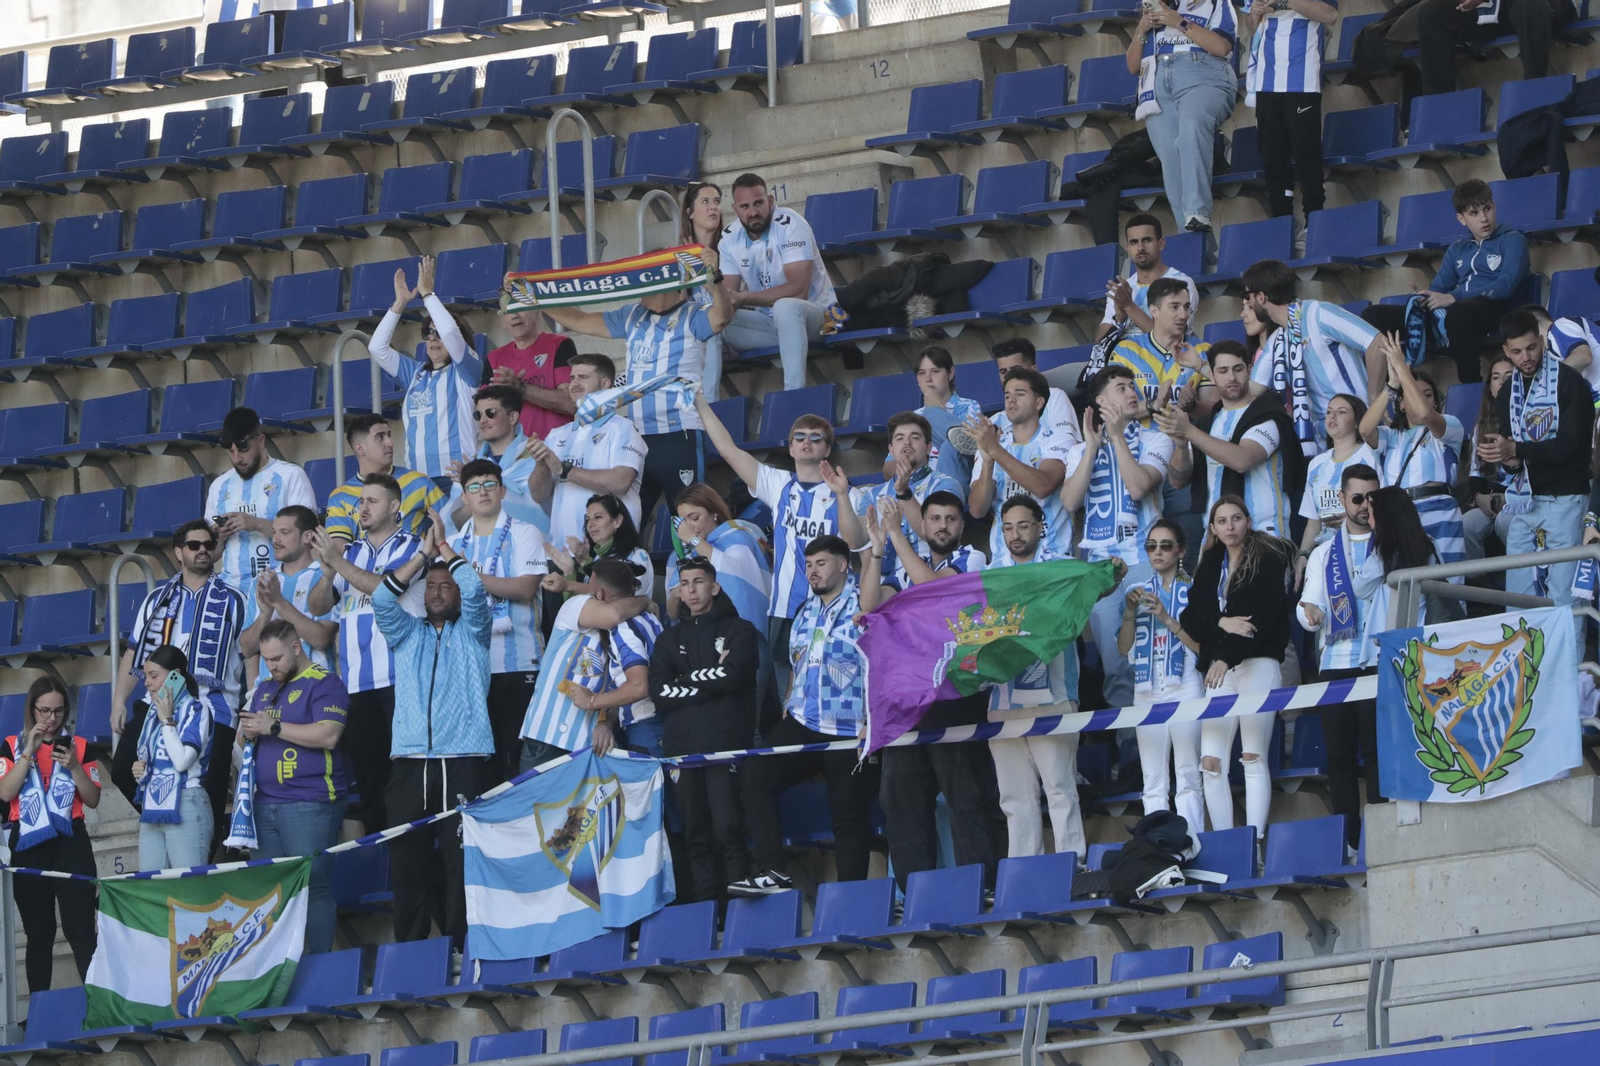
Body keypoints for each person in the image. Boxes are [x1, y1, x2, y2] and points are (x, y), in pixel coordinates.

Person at [860, 494, 1003, 891]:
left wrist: (895, 534)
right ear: (922, 525)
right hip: (905, 702)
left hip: (955, 695)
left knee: (966, 800)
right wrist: (877, 550)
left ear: (961, 526)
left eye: (951, 519)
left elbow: (931, 586)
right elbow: (869, 605)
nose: (943, 525)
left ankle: (984, 886)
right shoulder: (902, 567)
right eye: (935, 519)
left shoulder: (973, 557)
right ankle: (914, 892)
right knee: (902, 803)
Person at [694, 389, 866, 712]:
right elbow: (728, 450)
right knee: (789, 703)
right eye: (799, 437)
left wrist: (842, 496)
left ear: (828, 449)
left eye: (816, 438)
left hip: (829, 613)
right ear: (789, 447)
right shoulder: (778, 484)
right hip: (784, 611)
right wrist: (701, 404)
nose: (806, 442)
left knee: (824, 696)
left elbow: (857, 545)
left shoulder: (847, 495)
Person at [373, 515, 494, 947]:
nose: (438, 592)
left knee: (461, 862)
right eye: (431, 586)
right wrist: (421, 556)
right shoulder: (406, 634)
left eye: (446, 586)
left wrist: (443, 549)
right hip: (408, 762)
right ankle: (411, 952)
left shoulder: (475, 632)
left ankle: (463, 947)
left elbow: (478, 592)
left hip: (461, 758)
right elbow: (382, 601)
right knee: (408, 863)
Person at [538, 254, 731, 523]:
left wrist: (715, 278)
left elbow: (721, 317)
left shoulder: (693, 314)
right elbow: (580, 320)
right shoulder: (632, 315)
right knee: (625, 522)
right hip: (637, 436)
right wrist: (534, 297)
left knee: (688, 516)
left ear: (667, 281)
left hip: (678, 432)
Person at [735, 536, 878, 894]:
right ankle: (774, 871)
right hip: (803, 721)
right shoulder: (805, 611)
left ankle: (851, 897)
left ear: (844, 565)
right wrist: (787, 708)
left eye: (822, 563)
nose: (813, 571)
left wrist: (874, 553)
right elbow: (797, 667)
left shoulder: (863, 600)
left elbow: (881, 660)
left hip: (850, 726)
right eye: (809, 565)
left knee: (848, 817)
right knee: (755, 773)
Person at [113, 520, 244, 854]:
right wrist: (119, 700)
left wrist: (250, 705)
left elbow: (249, 652)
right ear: (178, 552)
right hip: (155, 703)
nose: (202, 550)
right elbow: (135, 653)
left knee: (212, 793)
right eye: (193, 545)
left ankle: (201, 854)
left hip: (214, 706)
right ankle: (175, 822)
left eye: (208, 544)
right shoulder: (157, 599)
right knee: (122, 769)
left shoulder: (234, 598)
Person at [308, 474, 425, 832]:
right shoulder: (352, 553)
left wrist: (337, 563)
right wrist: (328, 574)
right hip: (357, 683)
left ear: (394, 507)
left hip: (401, 679)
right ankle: (385, 868)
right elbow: (317, 606)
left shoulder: (413, 547)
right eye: (360, 502)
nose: (363, 508)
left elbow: (387, 588)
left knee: (405, 778)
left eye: (372, 501)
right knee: (372, 783)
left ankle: (415, 864)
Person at [1061, 365, 1175, 709]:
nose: (1131, 393)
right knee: (1117, 666)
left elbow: (1139, 487)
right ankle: (1130, 756)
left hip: (1146, 560)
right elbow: (1069, 501)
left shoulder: (1156, 438)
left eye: (1132, 386)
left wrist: (1119, 436)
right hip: (1101, 570)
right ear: (1100, 400)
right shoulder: (1078, 450)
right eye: (1122, 388)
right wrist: (1093, 448)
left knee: (1158, 660)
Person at [648, 557, 761, 902]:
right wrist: (711, 677)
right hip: (682, 749)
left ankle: (740, 913)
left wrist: (684, 680)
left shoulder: (739, 630)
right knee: (695, 834)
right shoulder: (668, 639)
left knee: (728, 828)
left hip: (725, 743)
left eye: (698, 582)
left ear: (714, 586)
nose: (692, 589)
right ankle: (707, 916)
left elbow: (735, 676)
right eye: (685, 583)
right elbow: (659, 693)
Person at [1180, 496, 1294, 836]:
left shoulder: (1268, 558)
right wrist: (1222, 622)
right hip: (1220, 669)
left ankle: (1254, 840)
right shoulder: (1211, 561)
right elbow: (1191, 618)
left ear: (1248, 520)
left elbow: (1259, 620)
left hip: (1256, 663)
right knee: (1210, 764)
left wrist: (1225, 654)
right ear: (1212, 528)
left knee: (1253, 757)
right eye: (1222, 521)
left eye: (1236, 519)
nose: (1230, 527)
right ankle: (1226, 842)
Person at [984, 497, 1088, 859]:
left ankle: (1072, 866)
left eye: (1023, 525)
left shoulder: (1064, 568)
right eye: (1008, 527)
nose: (1015, 534)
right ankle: (1025, 872)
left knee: (1060, 787)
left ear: (1041, 525)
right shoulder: (989, 575)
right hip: (1002, 698)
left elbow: (1097, 592)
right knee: (1014, 796)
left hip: (1055, 695)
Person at [237, 621, 350, 954]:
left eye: (277, 659)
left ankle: (317, 968)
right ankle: (279, 970)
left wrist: (271, 726)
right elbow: (245, 737)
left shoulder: (326, 684)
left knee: (313, 887)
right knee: (270, 891)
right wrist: (247, 732)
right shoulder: (264, 689)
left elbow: (328, 736)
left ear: (296, 648)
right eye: (267, 659)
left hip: (310, 801)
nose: (271, 666)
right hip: (264, 804)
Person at [1360, 181, 1530, 386]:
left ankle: (1470, 387)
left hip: (1497, 310)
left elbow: (1506, 286)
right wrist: (1423, 297)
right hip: (1456, 316)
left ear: (1494, 207)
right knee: (1373, 315)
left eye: (1487, 209)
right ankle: (1391, 389)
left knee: (1459, 312)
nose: (1484, 219)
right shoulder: (1458, 249)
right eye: (1474, 213)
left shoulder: (1513, 240)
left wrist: (1453, 297)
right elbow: (1439, 288)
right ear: (1462, 219)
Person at [1482, 308, 1597, 604]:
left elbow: (1572, 447)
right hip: (1524, 503)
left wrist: (1516, 450)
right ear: (1506, 351)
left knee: (1564, 598)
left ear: (1542, 342)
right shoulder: (1507, 392)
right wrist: (1505, 457)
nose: (1526, 357)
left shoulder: (1570, 382)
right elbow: (1517, 454)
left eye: (1531, 347)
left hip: (1566, 499)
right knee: (1518, 596)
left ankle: (1569, 652)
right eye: (1517, 351)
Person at [1297, 465, 1383, 855]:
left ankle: (1383, 835)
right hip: (1335, 660)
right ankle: (1349, 840)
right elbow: (1308, 603)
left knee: (1377, 749)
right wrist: (1310, 615)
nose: (1366, 506)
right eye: (1358, 498)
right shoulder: (1323, 552)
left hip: (1379, 659)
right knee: (1339, 755)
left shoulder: (1392, 541)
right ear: (1343, 500)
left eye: (1372, 497)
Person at [448, 458, 548, 785]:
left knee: (523, 762)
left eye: (490, 484)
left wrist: (468, 574)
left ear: (503, 490)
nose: (483, 492)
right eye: (474, 487)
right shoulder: (453, 545)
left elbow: (525, 587)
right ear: (464, 497)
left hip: (521, 663)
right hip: (474, 670)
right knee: (482, 767)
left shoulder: (524, 532)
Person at [0, 679, 99, 989]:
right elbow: (5, 793)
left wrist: (75, 768)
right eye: (44, 711)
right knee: (39, 933)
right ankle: (40, 1010)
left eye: (58, 711)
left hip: (71, 842)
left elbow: (94, 799)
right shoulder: (10, 745)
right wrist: (28, 753)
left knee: (80, 929)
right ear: (32, 710)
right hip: (28, 842)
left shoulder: (79, 746)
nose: (51, 718)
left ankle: (98, 1007)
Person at [519, 559, 658, 769]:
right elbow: (613, 614)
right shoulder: (577, 604)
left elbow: (623, 688)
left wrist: (606, 722)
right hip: (549, 738)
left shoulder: (633, 625)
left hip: (592, 745)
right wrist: (645, 601)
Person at [1158, 340, 1300, 537]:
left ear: (1249, 370)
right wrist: (1181, 447)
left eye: (1238, 369)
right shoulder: (1206, 424)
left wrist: (1189, 432)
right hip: (1215, 539)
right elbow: (1177, 481)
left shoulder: (1269, 413)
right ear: (1212, 376)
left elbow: (1243, 460)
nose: (1232, 377)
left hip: (1264, 535)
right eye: (1223, 371)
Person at [1118, 518, 1205, 833]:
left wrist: (1166, 617)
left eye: (1166, 545)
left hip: (1185, 683)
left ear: (1180, 550)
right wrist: (1129, 612)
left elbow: (1201, 646)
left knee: (1188, 771)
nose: (1157, 552)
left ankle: (1192, 838)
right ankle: (1157, 845)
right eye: (1151, 546)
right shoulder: (1136, 592)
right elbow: (1123, 647)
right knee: (1152, 777)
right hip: (1146, 687)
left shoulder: (1194, 589)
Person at [369, 256, 483, 487]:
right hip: (417, 478)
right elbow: (377, 348)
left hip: (457, 475)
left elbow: (451, 334)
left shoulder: (467, 370)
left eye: (437, 334)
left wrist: (428, 296)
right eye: (428, 335)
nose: (433, 340)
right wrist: (399, 304)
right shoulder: (415, 373)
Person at [718, 173, 839, 391]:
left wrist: (745, 297)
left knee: (785, 306)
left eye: (758, 203)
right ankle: (708, 404)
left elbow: (798, 290)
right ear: (735, 209)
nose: (753, 212)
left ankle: (793, 393)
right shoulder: (729, 237)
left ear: (770, 201)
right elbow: (729, 297)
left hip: (822, 318)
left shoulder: (790, 223)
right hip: (772, 324)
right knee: (711, 320)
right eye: (745, 206)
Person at [1126, 0, 1238, 233]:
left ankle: (1198, 211)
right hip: (1157, 85)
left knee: (1191, 129)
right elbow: (1133, 66)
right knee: (1171, 163)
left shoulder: (1215, 2)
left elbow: (1221, 47)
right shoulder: (1157, 9)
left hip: (1204, 75)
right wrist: (1142, 29)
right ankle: (1195, 247)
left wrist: (1178, 21)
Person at [1358, 333, 1468, 565]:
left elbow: (1425, 414)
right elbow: (1366, 430)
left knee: (1447, 589)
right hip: (1399, 515)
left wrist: (1402, 369)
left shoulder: (1450, 426)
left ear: (1436, 402)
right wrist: (1392, 386)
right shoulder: (1391, 436)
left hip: (1440, 511)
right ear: (1401, 404)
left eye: (1428, 395)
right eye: (1412, 394)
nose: (1422, 399)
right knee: (1406, 591)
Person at [526, 354, 648, 550]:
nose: (574, 383)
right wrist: (542, 463)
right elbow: (538, 495)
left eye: (583, 377)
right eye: (572, 378)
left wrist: (565, 470)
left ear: (605, 384)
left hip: (610, 553)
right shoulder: (556, 435)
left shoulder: (623, 428)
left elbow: (621, 482)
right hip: (565, 551)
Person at [1243, 260, 1385, 424]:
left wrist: (1375, 399)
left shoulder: (1318, 313)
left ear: (1261, 297)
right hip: (1321, 438)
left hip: (1358, 425)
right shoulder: (1277, 339)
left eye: (1248, 297)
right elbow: (1254, 389)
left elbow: (1377, 341)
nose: (1248, 304)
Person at [1241, 0, 1338, 232]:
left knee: (1307, 159)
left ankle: (1314, 226)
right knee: (1274, 162)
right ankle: (1282, 226)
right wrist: (1254, 13)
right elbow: (1252, 27)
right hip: (1266, 82)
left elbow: (1330, 15)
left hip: (1301, 82)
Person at [968, 368, 1076, 563]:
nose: (1011, 400)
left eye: (1020, 394)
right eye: (1007, 395)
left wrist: (994, 450)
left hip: (1052, 559)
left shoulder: (1057, 439)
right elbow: (977, 509)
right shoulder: (993, 445)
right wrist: (988, 462)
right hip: (1004, 563)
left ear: (1039, 402)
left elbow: (1043, 486)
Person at [207, 407, 315, 597]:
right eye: (231, 451)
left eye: (243, 449)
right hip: (232, 594)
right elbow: (212, 554)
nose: (237, 458)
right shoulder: (219, 486)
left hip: (283, 589)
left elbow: (308, 539)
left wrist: (255, 523)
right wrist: (220, 537)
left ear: (261, 440)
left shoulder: (290, 475)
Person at [130, 645, 215, 870]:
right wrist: (140, 770)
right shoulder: (151, 712)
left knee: (188, 892)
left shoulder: (197, 709)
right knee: (153, 889)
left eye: (153, 675)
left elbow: (182, 761)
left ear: (175, 675)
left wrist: (168, 722)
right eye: (145, 676)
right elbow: (149, 758)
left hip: (186, 801)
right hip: (153, 806)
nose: (147, 682)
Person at [239, 505, 338, 688]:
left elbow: (322, 639)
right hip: (270, 690)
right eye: (274, 532)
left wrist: (279, 602)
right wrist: (264, 615)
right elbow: (247, 649)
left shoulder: (326, 575)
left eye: (284, 532)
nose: (275, 539)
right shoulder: (262, 581)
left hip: (315, 687)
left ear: (307, 536)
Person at [853, 412, 964, 565]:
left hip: (927, 579)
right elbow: (856, 540)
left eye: (915, 437)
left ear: (928, 447)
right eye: (900, 438)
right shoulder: (873, 494)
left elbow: (936, 532)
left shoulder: (945, 485)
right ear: (891, 450)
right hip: (885, 582)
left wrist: (903, 493)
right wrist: (840, 495)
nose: (907, 443)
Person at [665, 483, 773, 633]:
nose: (688, 527)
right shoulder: (685, 553)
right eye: (683, 522)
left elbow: (734, 575)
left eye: (694, 518)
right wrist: (677, 594)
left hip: (743, 634)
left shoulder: (738, 537)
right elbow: (672, 613)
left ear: (714, 512)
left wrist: (692, 539)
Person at [325, 414, 447, 543]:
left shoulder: (419, 482)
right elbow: (338, 553)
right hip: (361, 563)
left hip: (415, 560)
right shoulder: (340, 496)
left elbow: (451, 524)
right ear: (360, 448)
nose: (390, 443)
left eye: (389, 435)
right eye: (380, 437)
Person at [443, 385, 547, 535]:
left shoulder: (539, 454)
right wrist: (470, 484)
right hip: (486, 553)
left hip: (533, 548)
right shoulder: (469, 468)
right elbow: (454, 526)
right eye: (478, 415)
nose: (482, 421)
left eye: (490, 413)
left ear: (512, 418)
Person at [1296, 395, 1379, 581]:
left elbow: (1383, 506)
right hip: (1326, 551)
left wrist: (1354, 520)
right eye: (1328, 412)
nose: (1332, 417)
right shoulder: (1316, 463)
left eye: (1341, 412)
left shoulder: (1371, 455)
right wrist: (1303, 554)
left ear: (1357, 422)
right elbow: (1313, 520)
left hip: (1364, 547)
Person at [1415, 0, 1569, 95]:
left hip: (1538, 8)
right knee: (1429, 13)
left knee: (1529, 3)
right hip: (1488, 12)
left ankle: (1533, 93)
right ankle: (1438, 107)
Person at [879, 346, 984, 486]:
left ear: (950, 373)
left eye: (935, 371)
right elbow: (887, 470)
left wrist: (935, 410)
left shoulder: (969, 406)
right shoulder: (913, 416)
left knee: (949, 447)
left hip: (954, 483)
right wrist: (913, 460)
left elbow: (971, 448)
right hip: (917, 486)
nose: (928, 379)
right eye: (921, 373)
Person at [1110, 278, 1212, 419]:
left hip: (1184, 438)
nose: (1183, 315)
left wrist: (1192, 406)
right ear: (1154, 311)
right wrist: (1155, 404)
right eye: (1174, 307)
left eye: (1187, 307)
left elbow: (1213, 409)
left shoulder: (1203, 350)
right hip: (1137, 439)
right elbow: (1113, 409)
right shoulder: (1126, 351)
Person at [1098, 213, 1201, 342]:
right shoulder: (1121, 290)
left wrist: (1129, 306)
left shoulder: (1181, 284)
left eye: (1147, 240)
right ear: (1128, 248)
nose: (1140, 248)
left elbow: (1171, 340)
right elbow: (1100, 344)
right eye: (1134, 242)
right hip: (1121, 358)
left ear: (1161, 243)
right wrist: (1119, 318)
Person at [486, 306, 576, 441]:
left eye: (520, 308)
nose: (514, 315)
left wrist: (521, 388)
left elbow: (570, 403)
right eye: (507, 311)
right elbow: (486, 413)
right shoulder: (493, 358)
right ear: (503, 321)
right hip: (512, 454)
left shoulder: (560, 344)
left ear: (538, 312)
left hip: (557, 448)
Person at [1461, 355, 1518, 560]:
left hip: (1521, 500)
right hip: (1491, 498)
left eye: (1509, 376)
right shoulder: (1481, 427)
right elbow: (1475, 475)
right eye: (1496, 377)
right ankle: (1480, 585)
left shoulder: (1530, 420)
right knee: (1466, 525)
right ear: (1490, 388)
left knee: (1508, 523)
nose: (1502, 382)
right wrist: (1479, 498)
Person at [545, 493, 653, 596]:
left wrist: (568, 584)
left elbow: (621, 599)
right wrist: (569, 571)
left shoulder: (638, 556)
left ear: (618, 521)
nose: (590, 524)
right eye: (588, 519)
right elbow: (582, 605)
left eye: (598, 517)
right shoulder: (596, 559)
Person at [992, 337, 1083, 447]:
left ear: (1033, 370)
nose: (1008, 376)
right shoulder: (996, 419)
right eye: (1003, 372)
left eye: (1015, 370)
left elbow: (1065, 449)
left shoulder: (1054, 397)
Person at [682, 181, 728, 396]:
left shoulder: (729, 246)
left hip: (727, 322)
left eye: (717, 202)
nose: (713, 207)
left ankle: (709, 405)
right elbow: (678, 302)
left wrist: (702, 271)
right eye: (705, 202)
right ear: (690, 213)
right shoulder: (678, 253)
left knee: (710, 328)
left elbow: (732, 297)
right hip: (691, 329)